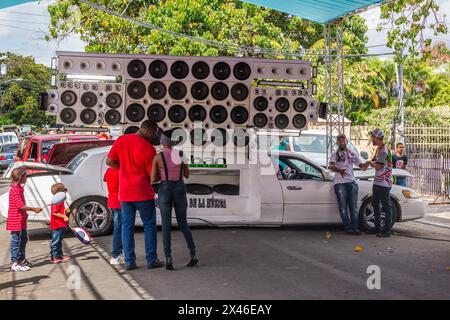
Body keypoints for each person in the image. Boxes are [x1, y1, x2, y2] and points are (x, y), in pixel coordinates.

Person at [106, 120, 164, 271]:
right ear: (150, 132)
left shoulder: (122, 140)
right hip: (143, 193)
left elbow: (109, 161)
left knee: (127, 227)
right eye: (154, 134)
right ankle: (151, 259)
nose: (154, 137)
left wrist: (123, 170)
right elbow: (152, 177)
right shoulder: (149, 149)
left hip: (125, 193)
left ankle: (130, 262)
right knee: (149, 225)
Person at [151, 129, 198, 270]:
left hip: (164, 189)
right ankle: (194, 255)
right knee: (183, 224)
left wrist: (163, 176)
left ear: (162, 142)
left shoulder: (158, 157)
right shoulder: (181, 155)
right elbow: (187, 174)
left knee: (166, 225)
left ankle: (168, 258)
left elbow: (153, 179)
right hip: (179, 188)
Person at [329, 134, 368, 235]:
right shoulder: (335, 154)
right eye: (340, 141)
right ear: (337, 143)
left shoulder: (352, 154)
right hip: (339, 183)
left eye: (343, 141)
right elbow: (331, 166)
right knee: (343, 207)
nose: (342, 142)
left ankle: (355, 228)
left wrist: (367, 164)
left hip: (351, 182)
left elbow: (361, 166)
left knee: (353, 207)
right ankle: (348, 228)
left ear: (346, 142)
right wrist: (339, 170)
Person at [7, 167, 42, 272]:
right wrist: (34, 209)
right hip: (15, 220)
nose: (27, 177)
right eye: (25, 175)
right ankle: (14, 263)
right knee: (16, 241)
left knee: (23, 239)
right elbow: (20, 206)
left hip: (21, 219)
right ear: (21, 177)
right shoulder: (15, 190)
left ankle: (21, 259)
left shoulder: (19, 188)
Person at [369, 128, 393, 237]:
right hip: (378, 181)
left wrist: (370, 164)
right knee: (375, 203)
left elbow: (378, 166)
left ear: (377, 138)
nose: (371, 139)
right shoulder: (380, 149)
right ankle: (377, 228)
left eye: (372, 137)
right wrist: (371, 162)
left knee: (386, 206)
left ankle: (386, 230)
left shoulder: (384, 151)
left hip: (384, 182)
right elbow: (375, 162)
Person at [104, 167, 124, 265]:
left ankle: (118, 253)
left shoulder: (109, 170)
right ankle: (116, 254)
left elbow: (104, 179)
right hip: (120, 202)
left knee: (118, 228)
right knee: (120, 229)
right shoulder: (121, 170)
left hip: (111, 201)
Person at [49, 183, 71, 264]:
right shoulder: (56, 201)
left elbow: (60, 211)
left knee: (59, 241)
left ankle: (60, 255)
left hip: (61, 224)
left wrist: (65, 211)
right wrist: (64, 217)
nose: (65, 191)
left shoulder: (60, 200)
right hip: (57, 225)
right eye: (64, 190)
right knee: (56, 241)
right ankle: (54, 257)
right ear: (59, 193)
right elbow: (55, 212)